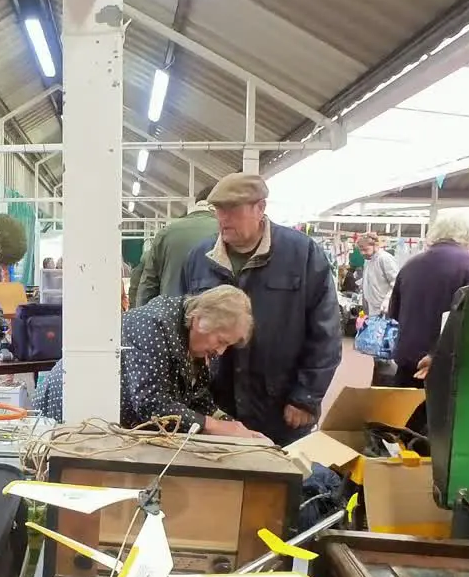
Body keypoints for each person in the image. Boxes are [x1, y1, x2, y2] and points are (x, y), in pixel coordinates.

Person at [178, 173, 342, 445]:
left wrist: (306, 397)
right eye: (218, 209)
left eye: (232, 209)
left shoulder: (302, 254)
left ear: (260, 208)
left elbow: (326, 333)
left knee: (279, 483)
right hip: (216, 406)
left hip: (280, 408)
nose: (223, 218)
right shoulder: (199, 258)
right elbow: (180, 326)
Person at [34, 286, 266, 439]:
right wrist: (217, 427)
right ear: (199, 320)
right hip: (69, 410)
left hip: (110, 424)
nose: (221, 351)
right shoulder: (152, 324)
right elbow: (152, 404)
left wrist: (238, 429)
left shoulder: (195, 343)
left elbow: (197, 399)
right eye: (221, 340)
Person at [387, 211, 469, 388]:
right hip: (448, 370)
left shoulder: (410, 265)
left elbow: (395, 314)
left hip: (407, 366)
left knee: (405, 414)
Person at [137, 186, 218, 306]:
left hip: (170, 317)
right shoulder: (225, 231)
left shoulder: (165, 233)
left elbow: (148, 287)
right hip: (213, 316)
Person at [356, 233, 399, 317]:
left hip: (383, 310)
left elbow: (396, 281)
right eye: (360, 250)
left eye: (365, 249)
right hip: (371, 309)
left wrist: (388, 299)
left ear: (375, 245)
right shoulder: (368, 261)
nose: (362, 253)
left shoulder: (384, 259)